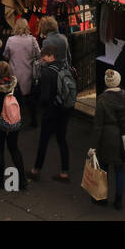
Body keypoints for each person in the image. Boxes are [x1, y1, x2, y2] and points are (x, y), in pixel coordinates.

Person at [90, 69, 125, 210]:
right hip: (124, 136)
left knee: (103, 169)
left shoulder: (102, 99)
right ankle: (119, 200)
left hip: (107, 137)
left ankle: (102, 197)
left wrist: (94, 145)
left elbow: (98, 125)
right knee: (120, 169)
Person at [29, 47, 73, 182]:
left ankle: (36, 170)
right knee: (62, 140)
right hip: (64, 110)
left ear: (51, 56)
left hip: (51, 111)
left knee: (43, 141)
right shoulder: (66, 68)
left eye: (45, 57)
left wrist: (41, 106)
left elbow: (44, 97)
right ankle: (64, 172)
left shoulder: (47, 73)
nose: (43, 59)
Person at [0, 60, 28, 191]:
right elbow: (21, 102)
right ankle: (23, 180)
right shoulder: (14, 85)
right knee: (14, 149)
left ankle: (0, 180)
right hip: (13, 122)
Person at [3, 20, 40, 121]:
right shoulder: (32, 40)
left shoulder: (10, 40)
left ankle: (15, 119)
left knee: (15, 97)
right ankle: (33, 120)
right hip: (28, 73)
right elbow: (38, 55)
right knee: (30, 98)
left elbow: (6, 55)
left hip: (14, 73)